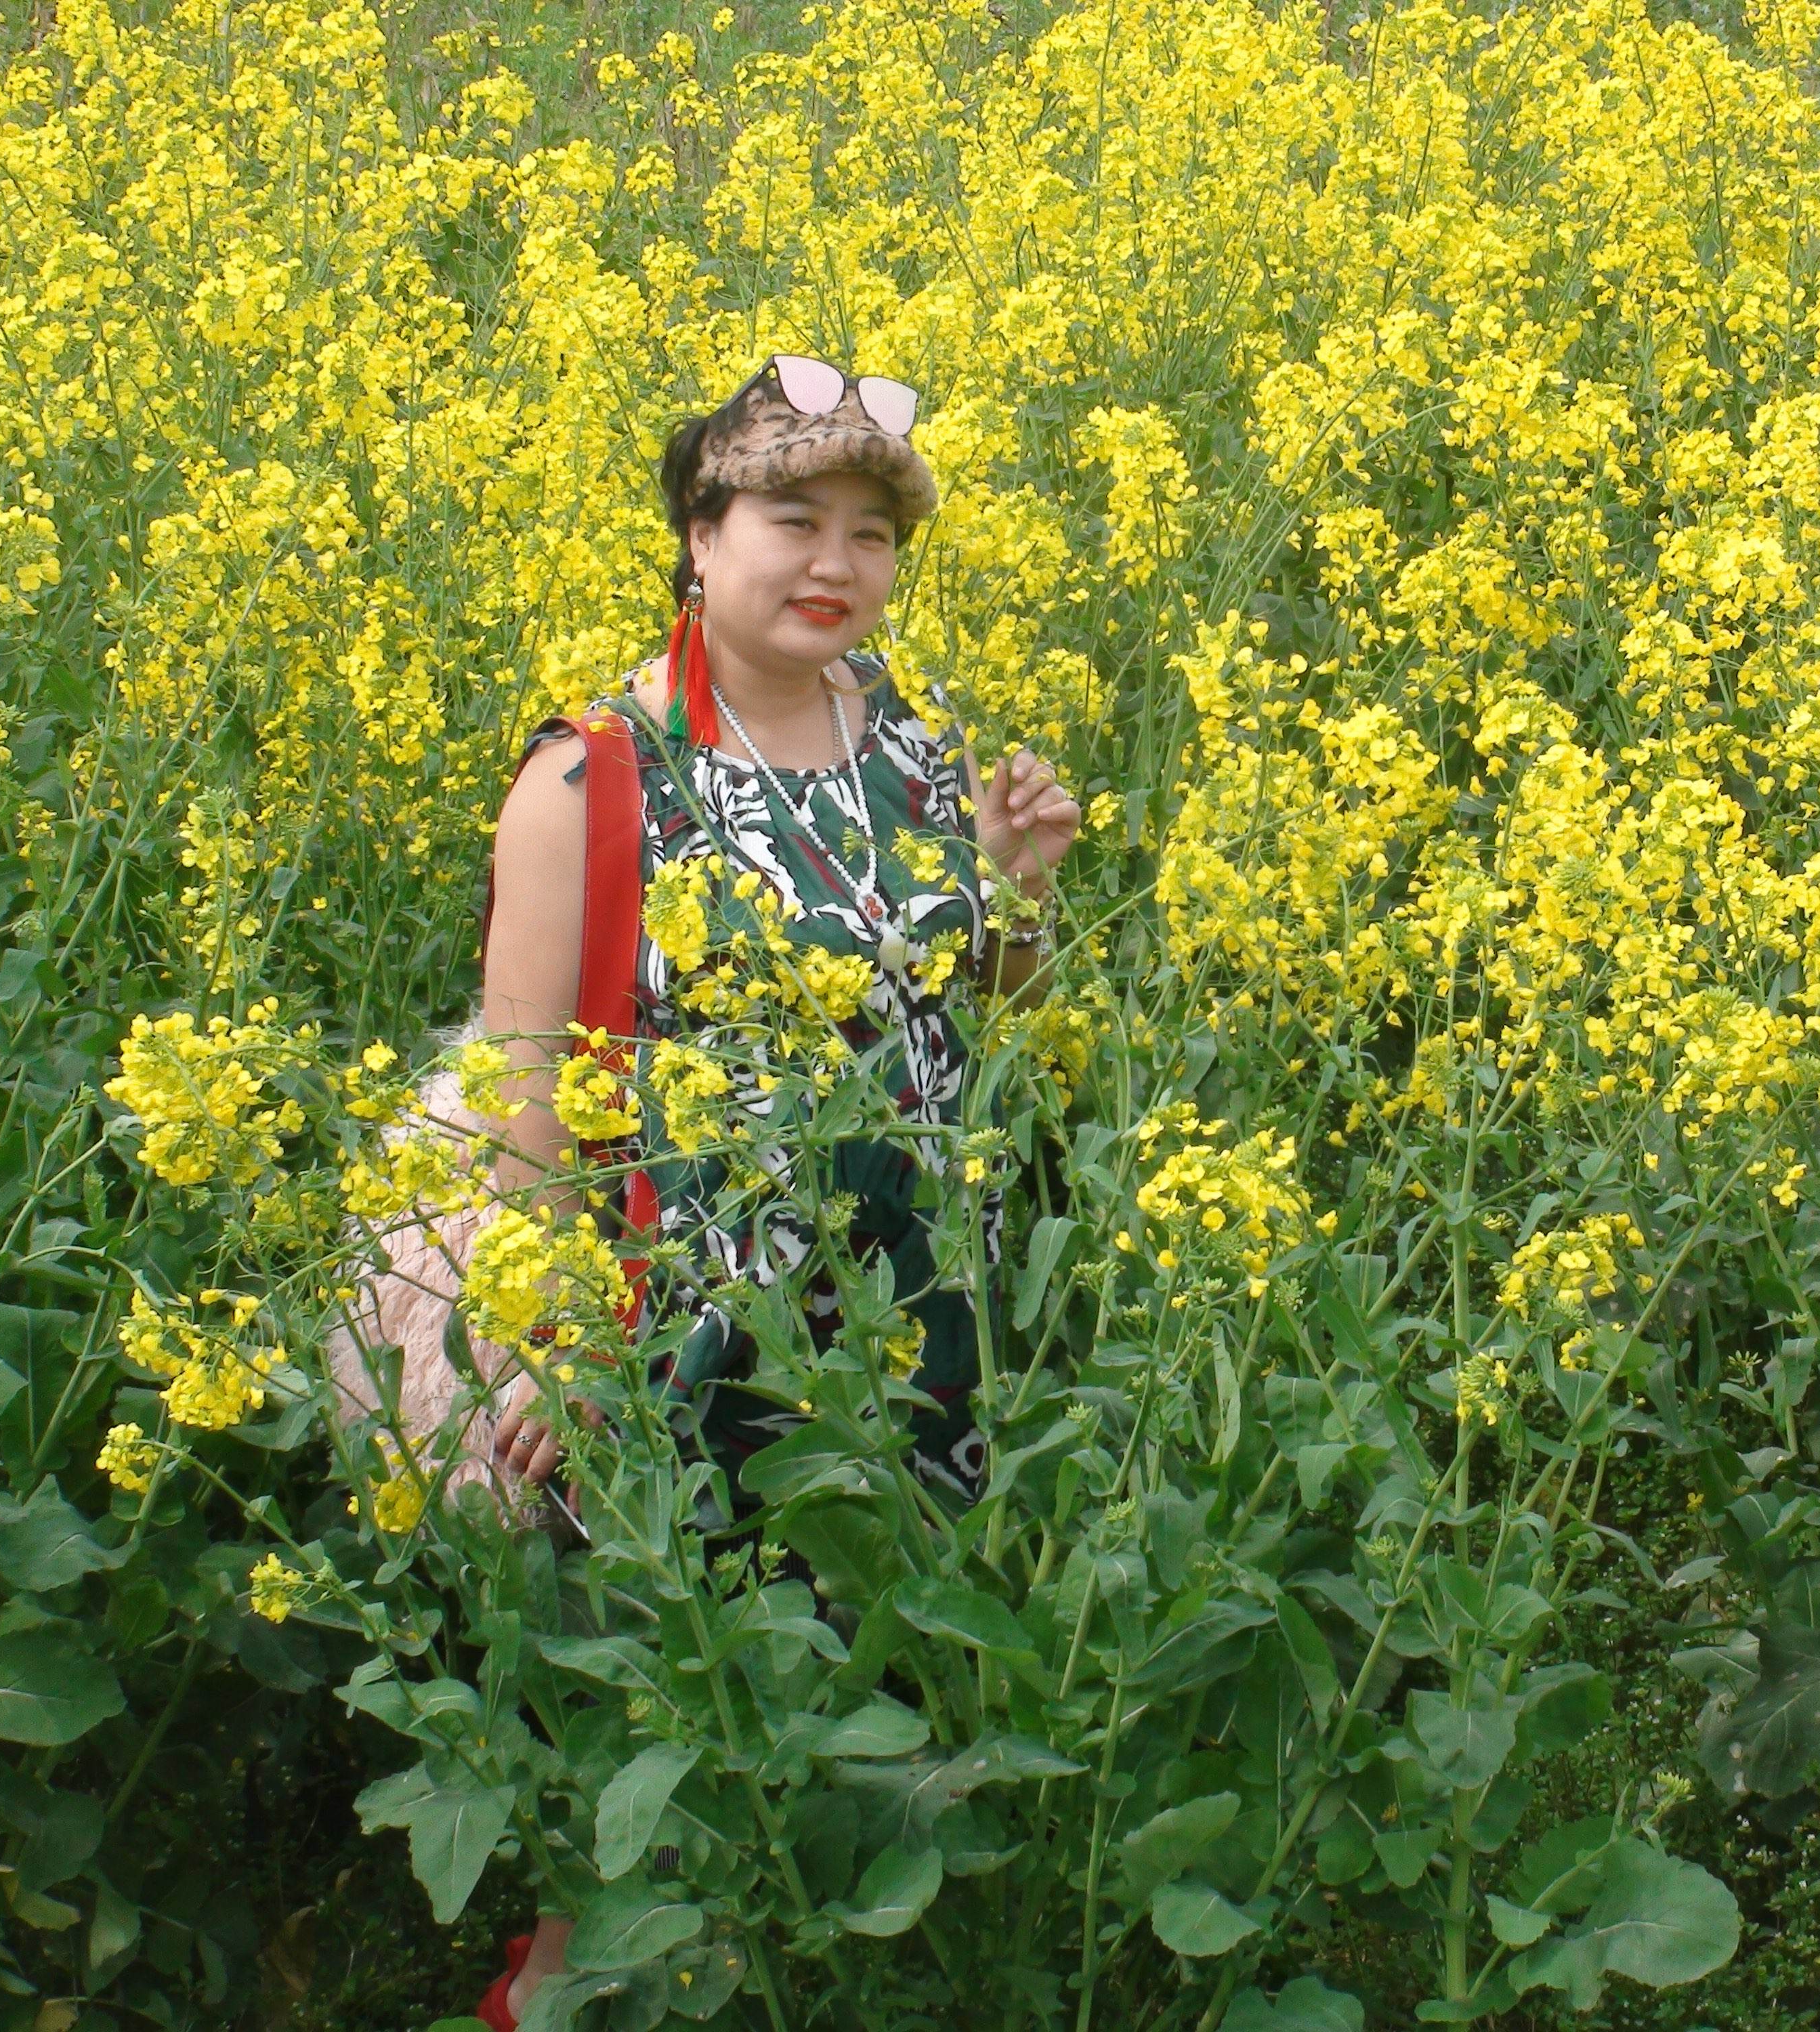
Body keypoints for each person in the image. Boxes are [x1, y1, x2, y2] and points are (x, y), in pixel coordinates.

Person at [466, 354, 1080, 2029]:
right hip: (691, 1342)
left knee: (894, 1680)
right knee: (685, 1723)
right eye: (793, 518)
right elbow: (520, 1093)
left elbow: (989, 1018)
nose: (836, 563)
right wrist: (540, 1337)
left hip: (922, 1323)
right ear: (698, 530)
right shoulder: (594, 778)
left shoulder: (926, 748)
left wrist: (1017, 896)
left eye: (871, 533)